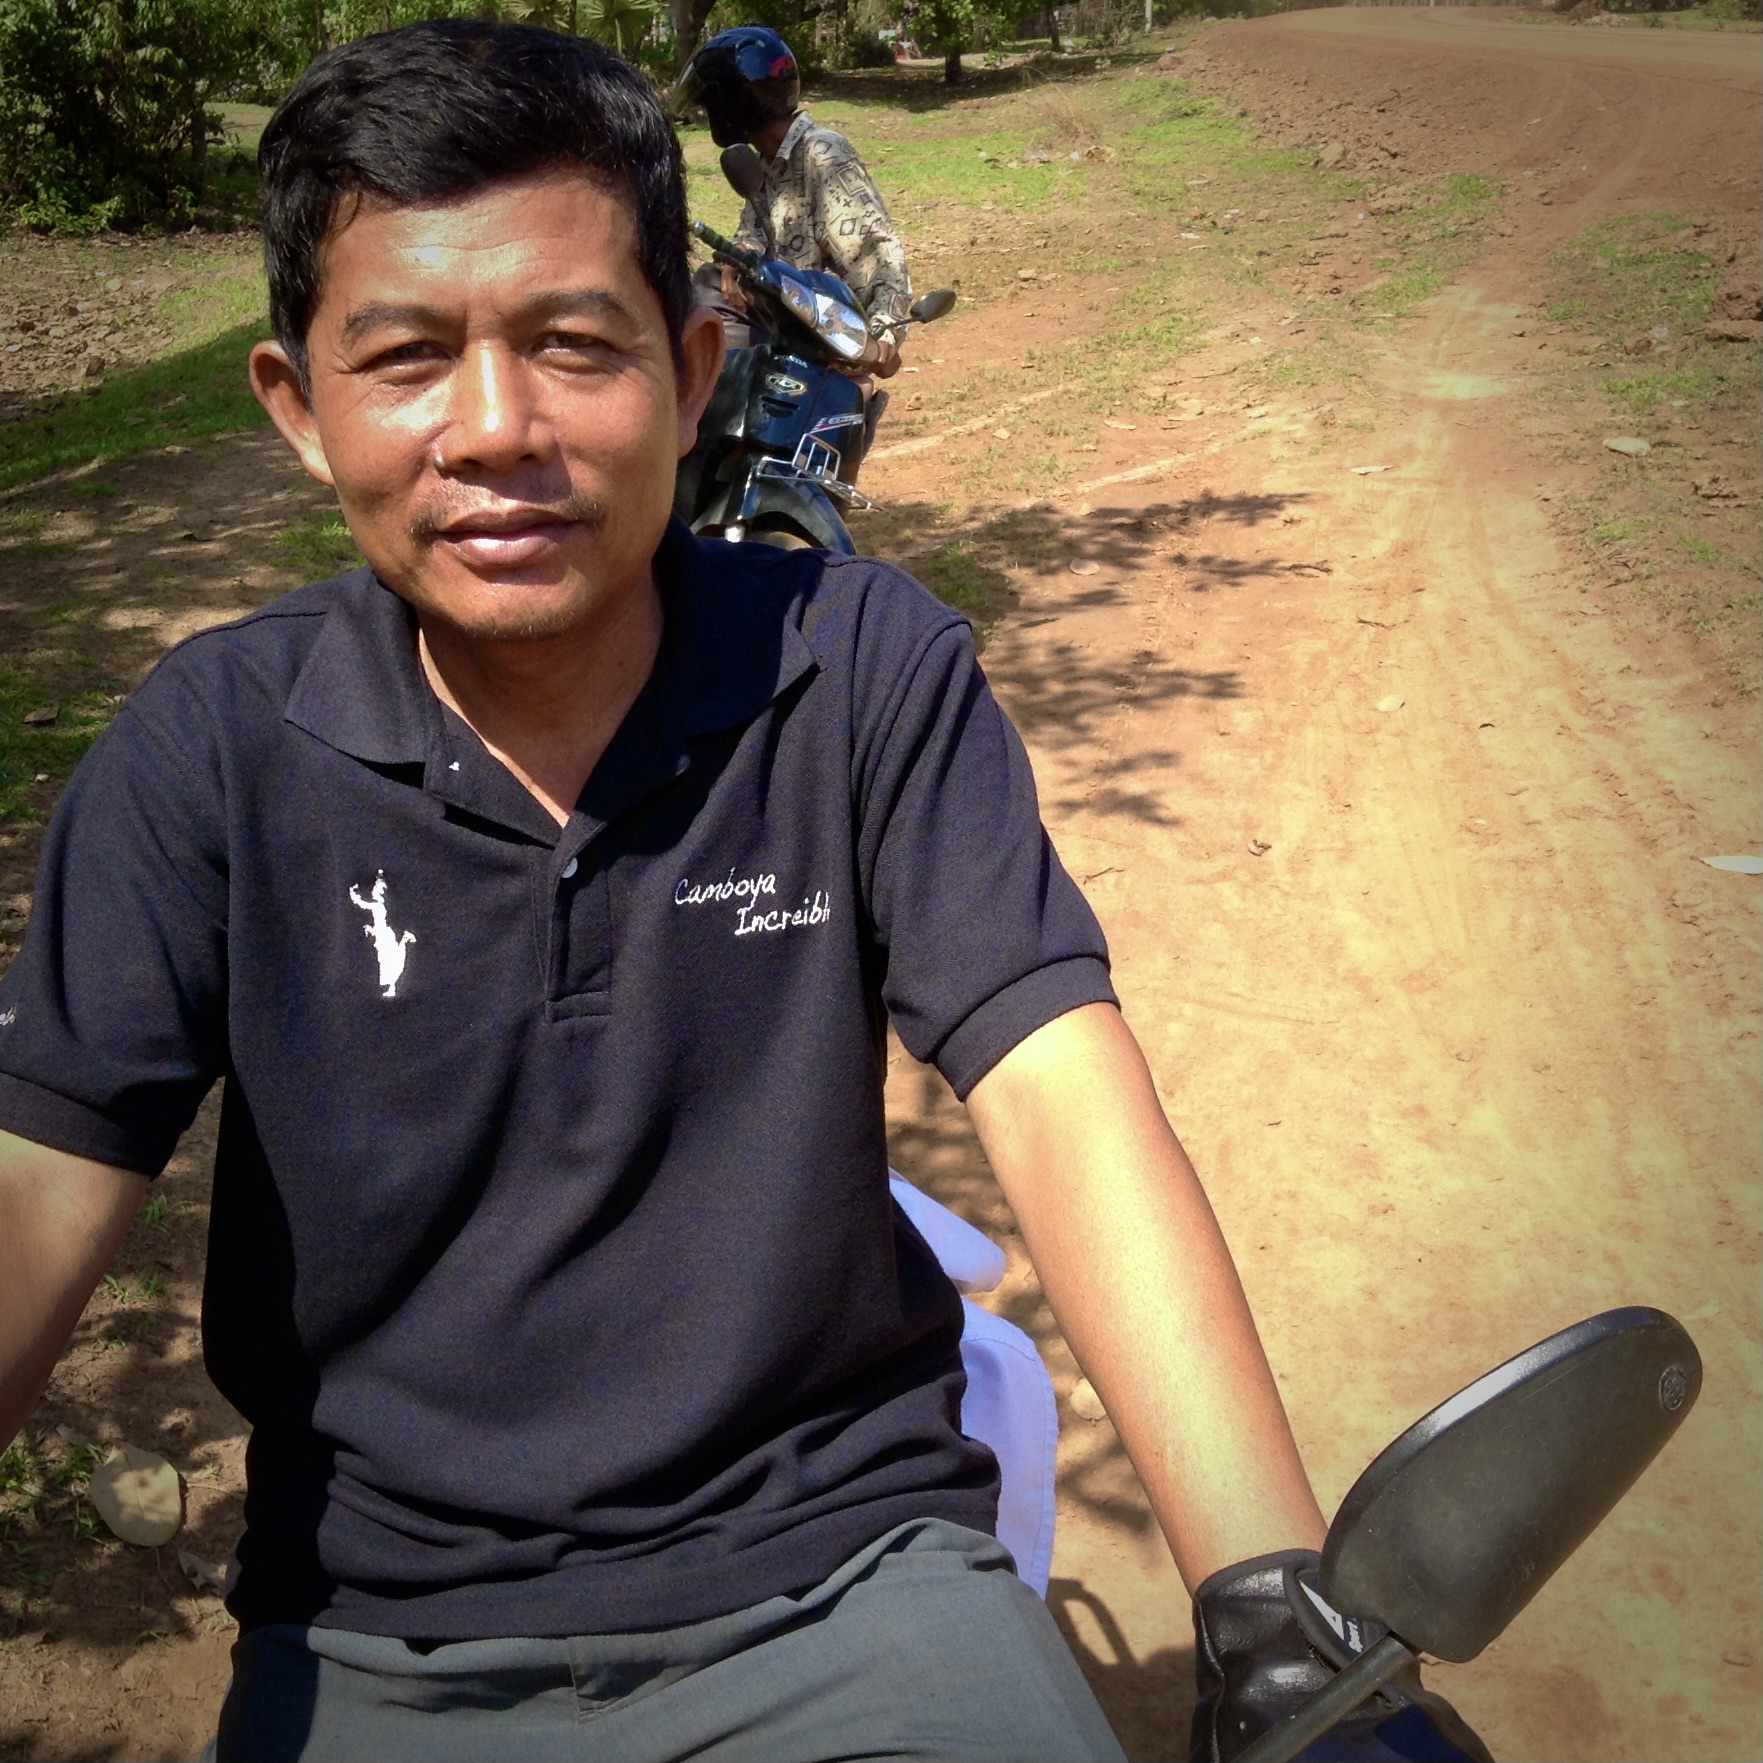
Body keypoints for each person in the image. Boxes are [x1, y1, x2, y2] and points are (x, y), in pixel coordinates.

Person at [0, 23, 1490, 1763]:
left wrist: (1269, 1605)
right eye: (403, 357)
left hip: (852, 1573)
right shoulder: (211, 756)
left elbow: (1059, 1084)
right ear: (298, 410)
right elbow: (37, 1180)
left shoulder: (853, 669)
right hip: (376, 1629)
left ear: (695, 374)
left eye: (574, 344)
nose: (497, 430)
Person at [675, 26, 910, 379]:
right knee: (705, 288)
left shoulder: (822, 153)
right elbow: (752, 231)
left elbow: (877, 250)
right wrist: (736, 259)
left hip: (826, 339)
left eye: (711, 105)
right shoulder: (767, 162)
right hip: (784, 330)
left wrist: (883, 335)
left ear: (735, 101)